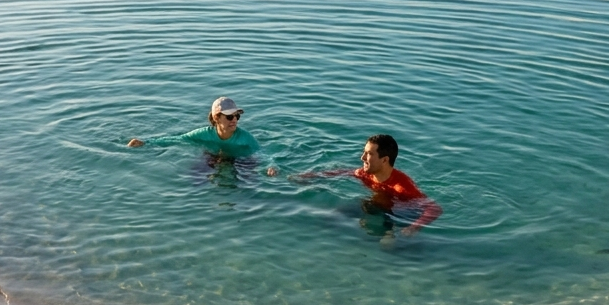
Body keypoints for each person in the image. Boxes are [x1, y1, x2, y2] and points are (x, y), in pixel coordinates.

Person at [297, 134, 441, 238]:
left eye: (369, 154)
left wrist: (414, 227)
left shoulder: (401, 187)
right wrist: (306, 177)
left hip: (400, 214)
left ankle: (387, 234)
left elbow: (434, 208)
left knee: (386, 247)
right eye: (364, 152)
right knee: (329, 218)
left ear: (384, 160)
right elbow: (339, 173)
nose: (362, 158)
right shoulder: (365, 174)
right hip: (375, 206)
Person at [128, 97, 279, 175]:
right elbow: (177, 139)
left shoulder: (245, 138)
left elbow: (262, 153)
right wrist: (147, 143)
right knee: (197, 178)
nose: (234, 120)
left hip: (240, 159)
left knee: (247, 182)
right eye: (229, 117)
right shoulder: (204, 134)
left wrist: (271, 165)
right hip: (214, 156)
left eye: (236, 116)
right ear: (216, 118)